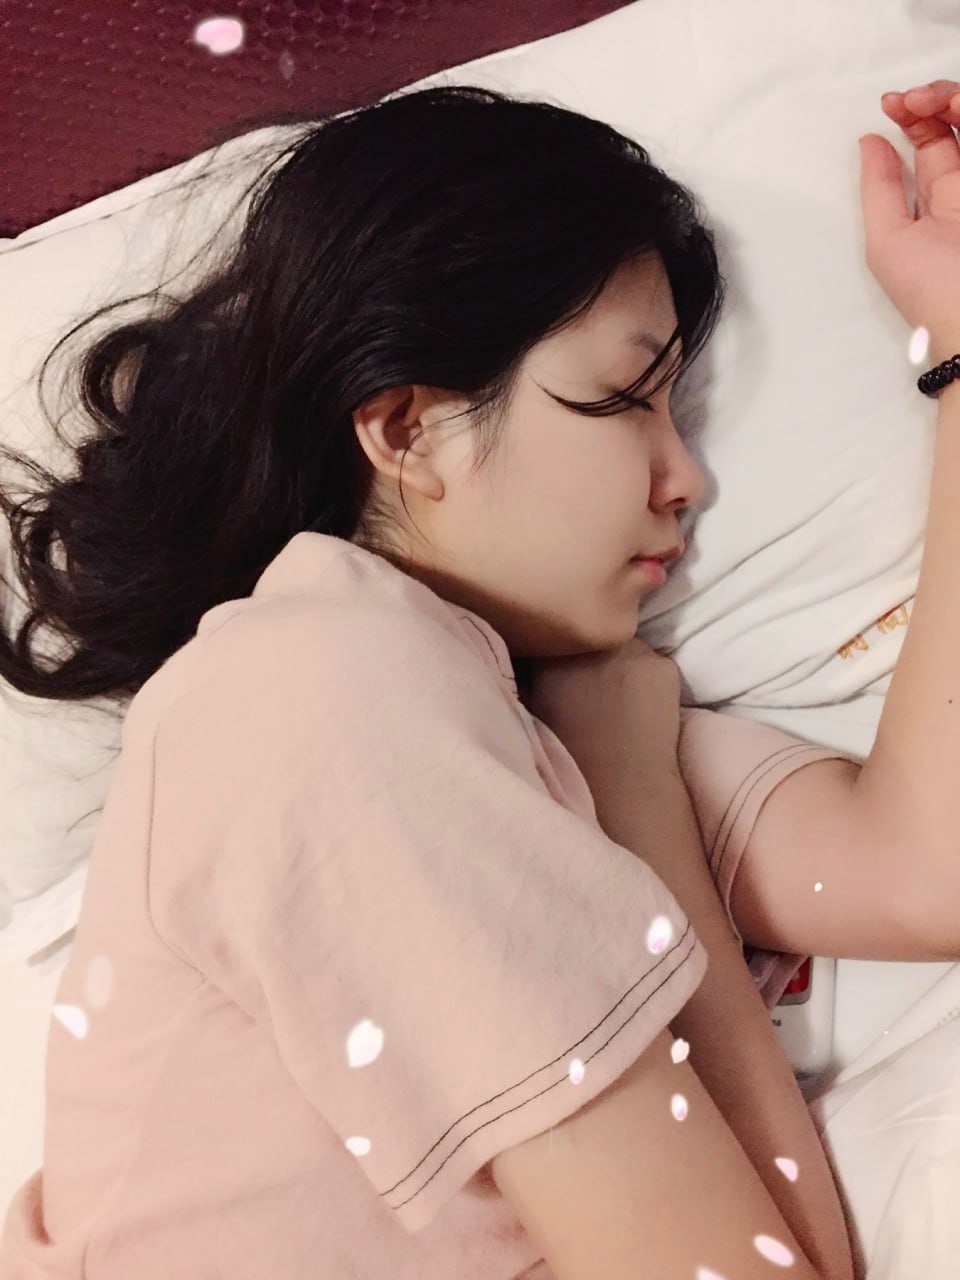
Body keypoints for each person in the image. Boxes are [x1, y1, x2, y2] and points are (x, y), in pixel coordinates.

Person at [0, 78, 958, 1279]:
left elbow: (926, 869)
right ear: (405, 429)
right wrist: (636, 794)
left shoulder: (554, 708)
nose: (685, 476)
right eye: (624, 398)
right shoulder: (319, 689)